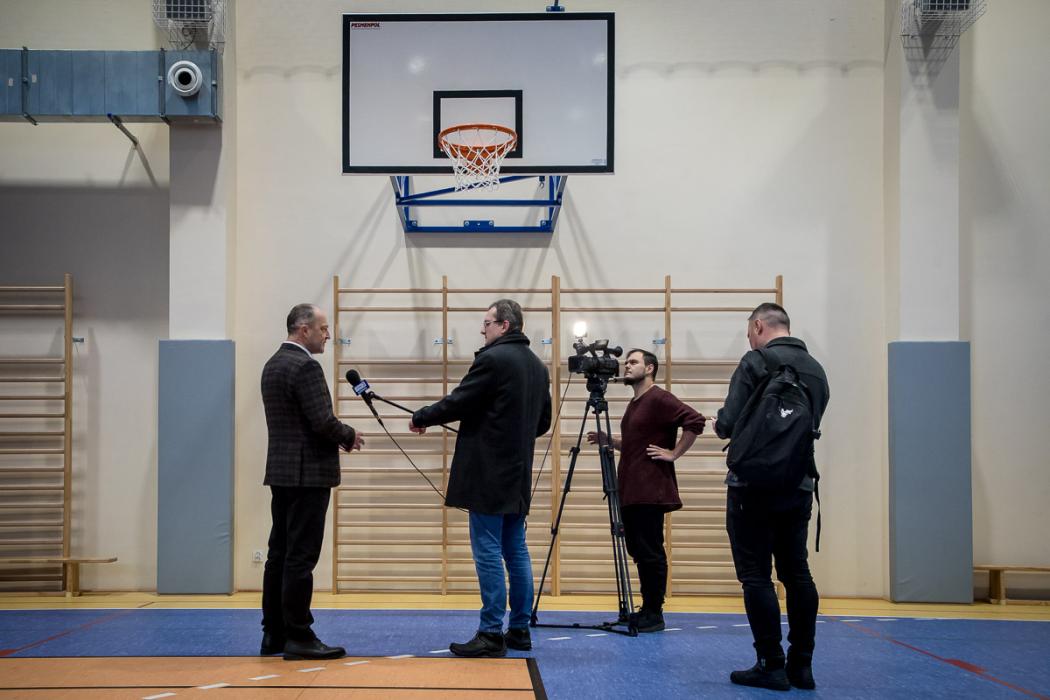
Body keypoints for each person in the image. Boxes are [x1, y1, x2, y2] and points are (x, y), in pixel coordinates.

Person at [409, 299, 551, 657]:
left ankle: (490, 633)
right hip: (518, 474)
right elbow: (543, 422)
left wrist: (422, 416)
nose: (482, 329)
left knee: (488, 550)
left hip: (488, 473)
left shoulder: (493, 359)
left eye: (487, 323)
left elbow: (461, 401)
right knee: (516, 550)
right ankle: (519, 630)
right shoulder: (537, 366)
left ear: (504, 325)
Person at [714, 302, 829, 691]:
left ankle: (770, 664)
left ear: (759, 326)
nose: (749, 338)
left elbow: (728, 422)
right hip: (798, 483)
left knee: (756, 576)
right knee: (797, 573)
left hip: (752, 486)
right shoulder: (817, 371)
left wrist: (720, 424)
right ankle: (802, 666)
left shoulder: (756, 361)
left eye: (749, 331)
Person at [260, 303, 363, 661]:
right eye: (323, 328)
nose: (328, 335)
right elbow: (322, 421)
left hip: (282, 473)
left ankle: (273, 633)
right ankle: (300, 635)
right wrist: (349, 435)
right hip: (308, 475)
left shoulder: (273, 364)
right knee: (301, 558)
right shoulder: (306, 366)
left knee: (279, 554)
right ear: (304, 330)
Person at [586, 349, 706, 632]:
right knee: (639, 550)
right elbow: (636, 443)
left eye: (633, 362)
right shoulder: (636, 403)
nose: (626, 366)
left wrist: (674, 453)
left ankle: (654, 612)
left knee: (650, 551)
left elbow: (695, 421)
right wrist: (612, 440)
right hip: (631, 489)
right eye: (626, 362)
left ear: (650, 368)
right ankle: (648, 607)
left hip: (649, 489)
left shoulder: (659, 398)